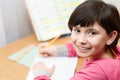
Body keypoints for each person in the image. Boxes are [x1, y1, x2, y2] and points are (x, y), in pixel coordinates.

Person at [33, 0, 120, 80]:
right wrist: (57, 50)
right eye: (77, 30)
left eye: (92, 33)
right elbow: (84, 47)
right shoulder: (113, 51)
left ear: (111, 37)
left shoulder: (96, 73)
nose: (81, 40)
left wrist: (41, 74)